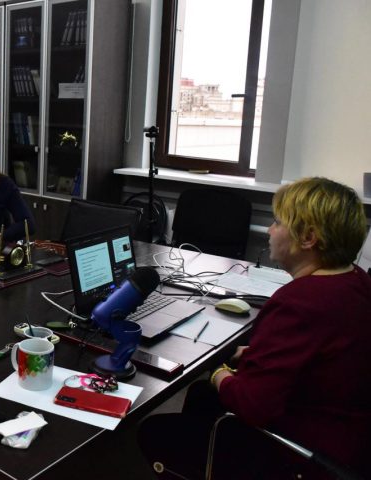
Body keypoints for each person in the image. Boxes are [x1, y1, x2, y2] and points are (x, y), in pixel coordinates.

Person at [139, 177, 371, 479]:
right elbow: (324, 356)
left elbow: (252, 405)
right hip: (349, 437)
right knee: (201, 395)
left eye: (278, 222)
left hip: (301, 455)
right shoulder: (357, 281)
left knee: (154, 431)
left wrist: (217, 370)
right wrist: (256, 354)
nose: (269, 231)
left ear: (308, 238)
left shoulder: (300, 302)